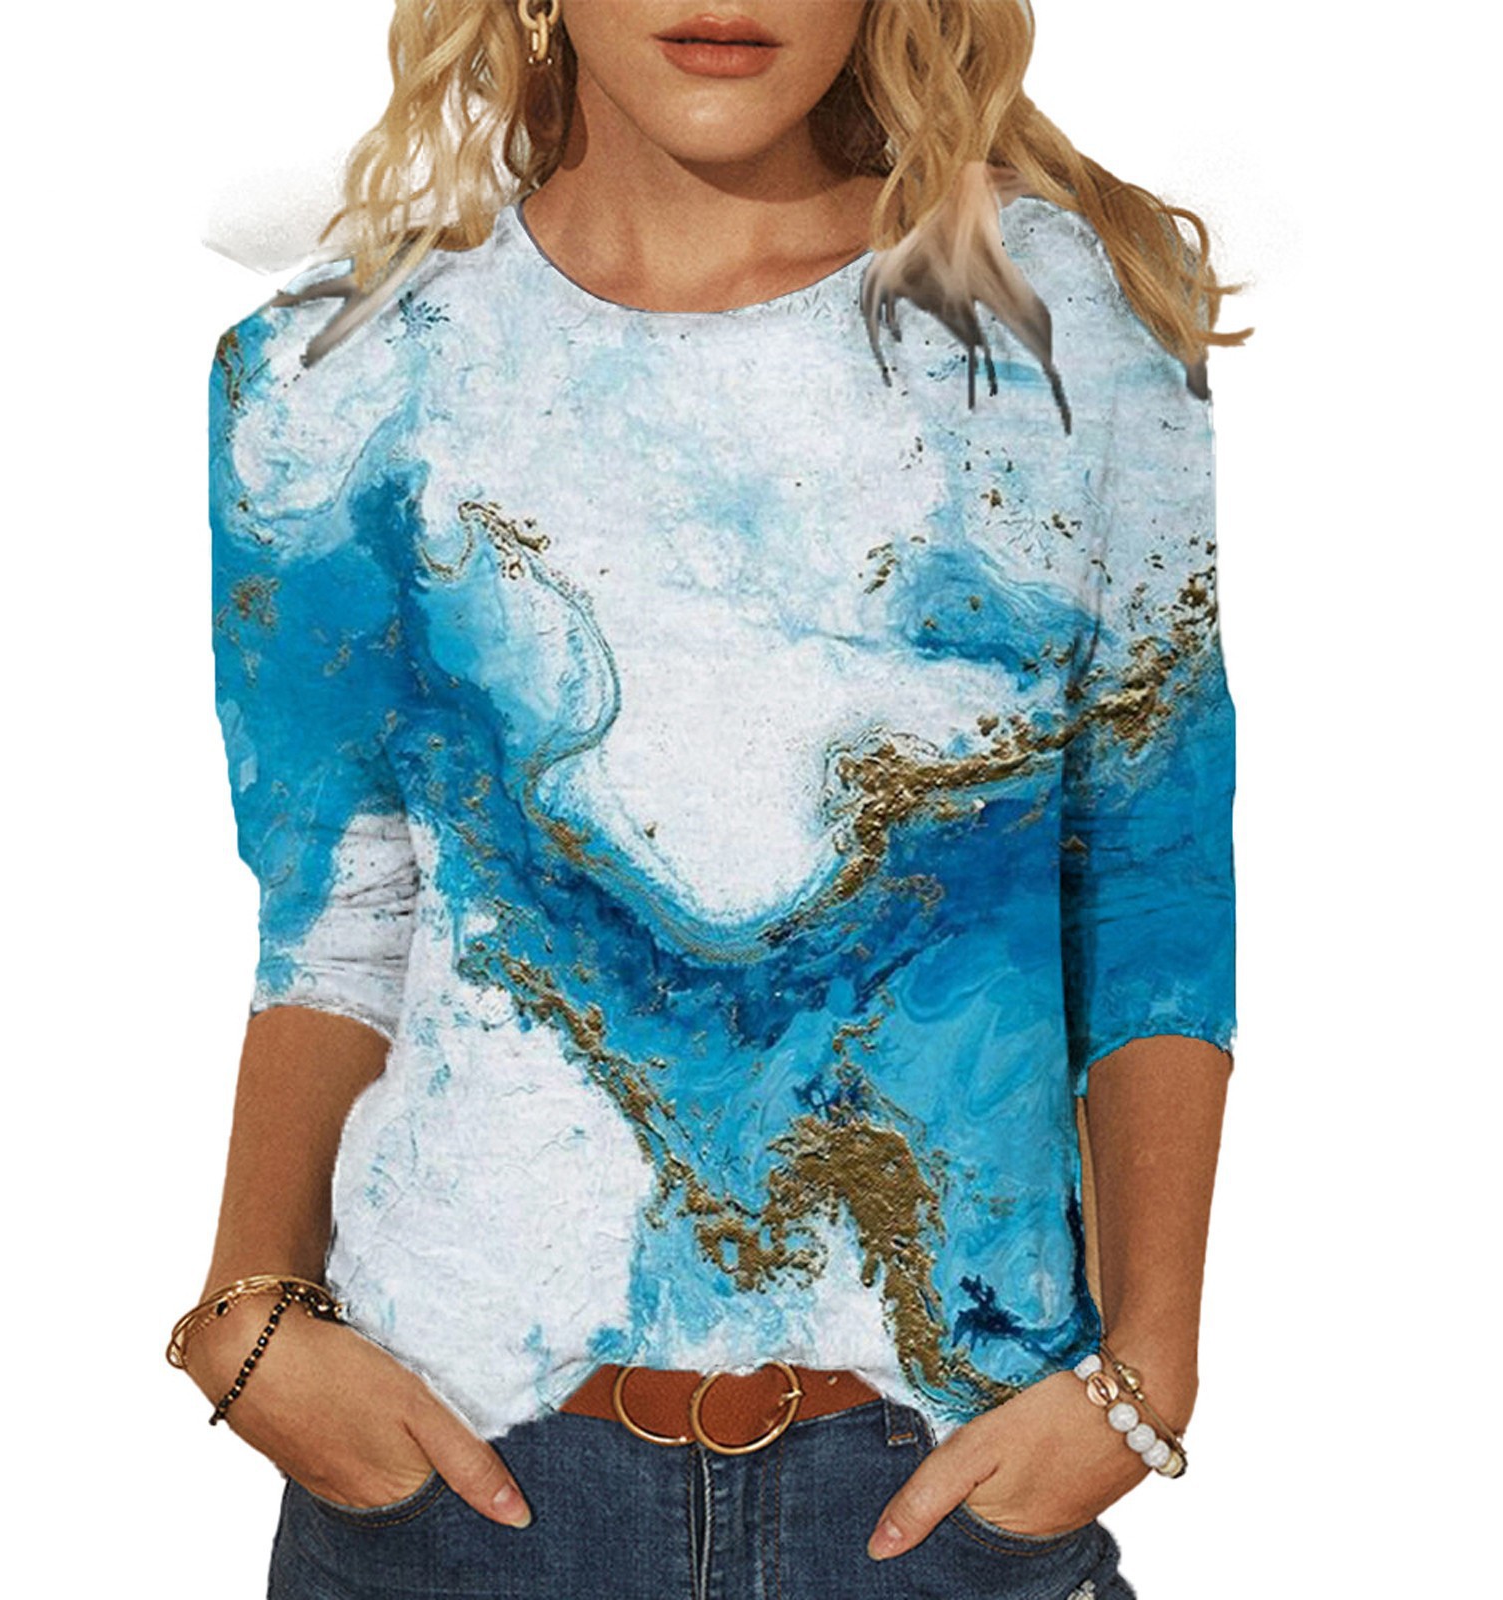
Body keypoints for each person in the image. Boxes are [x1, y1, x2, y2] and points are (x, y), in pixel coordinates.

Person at [171, 2, 1248, 1595]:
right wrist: (246, 1312)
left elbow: (1149, 866)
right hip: (454, 1484)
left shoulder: (1055, 323)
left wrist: (1148, 1367)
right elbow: (342, 907)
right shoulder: (337, 370)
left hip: (939, 1487)